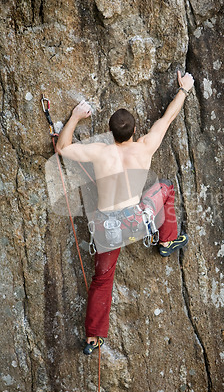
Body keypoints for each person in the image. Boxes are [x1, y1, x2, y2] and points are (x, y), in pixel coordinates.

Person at [55, 70, 194, 354]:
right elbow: (167, 118)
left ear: (110, 132)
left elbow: (62, 147)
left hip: (109, 230)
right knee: (166, 187)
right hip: (137, 221)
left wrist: (76, 117)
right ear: (134, 130)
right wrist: (184, 90)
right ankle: (166, 240)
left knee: (102, 279)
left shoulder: (99, 152)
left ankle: (93, 337)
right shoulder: (145, 147)